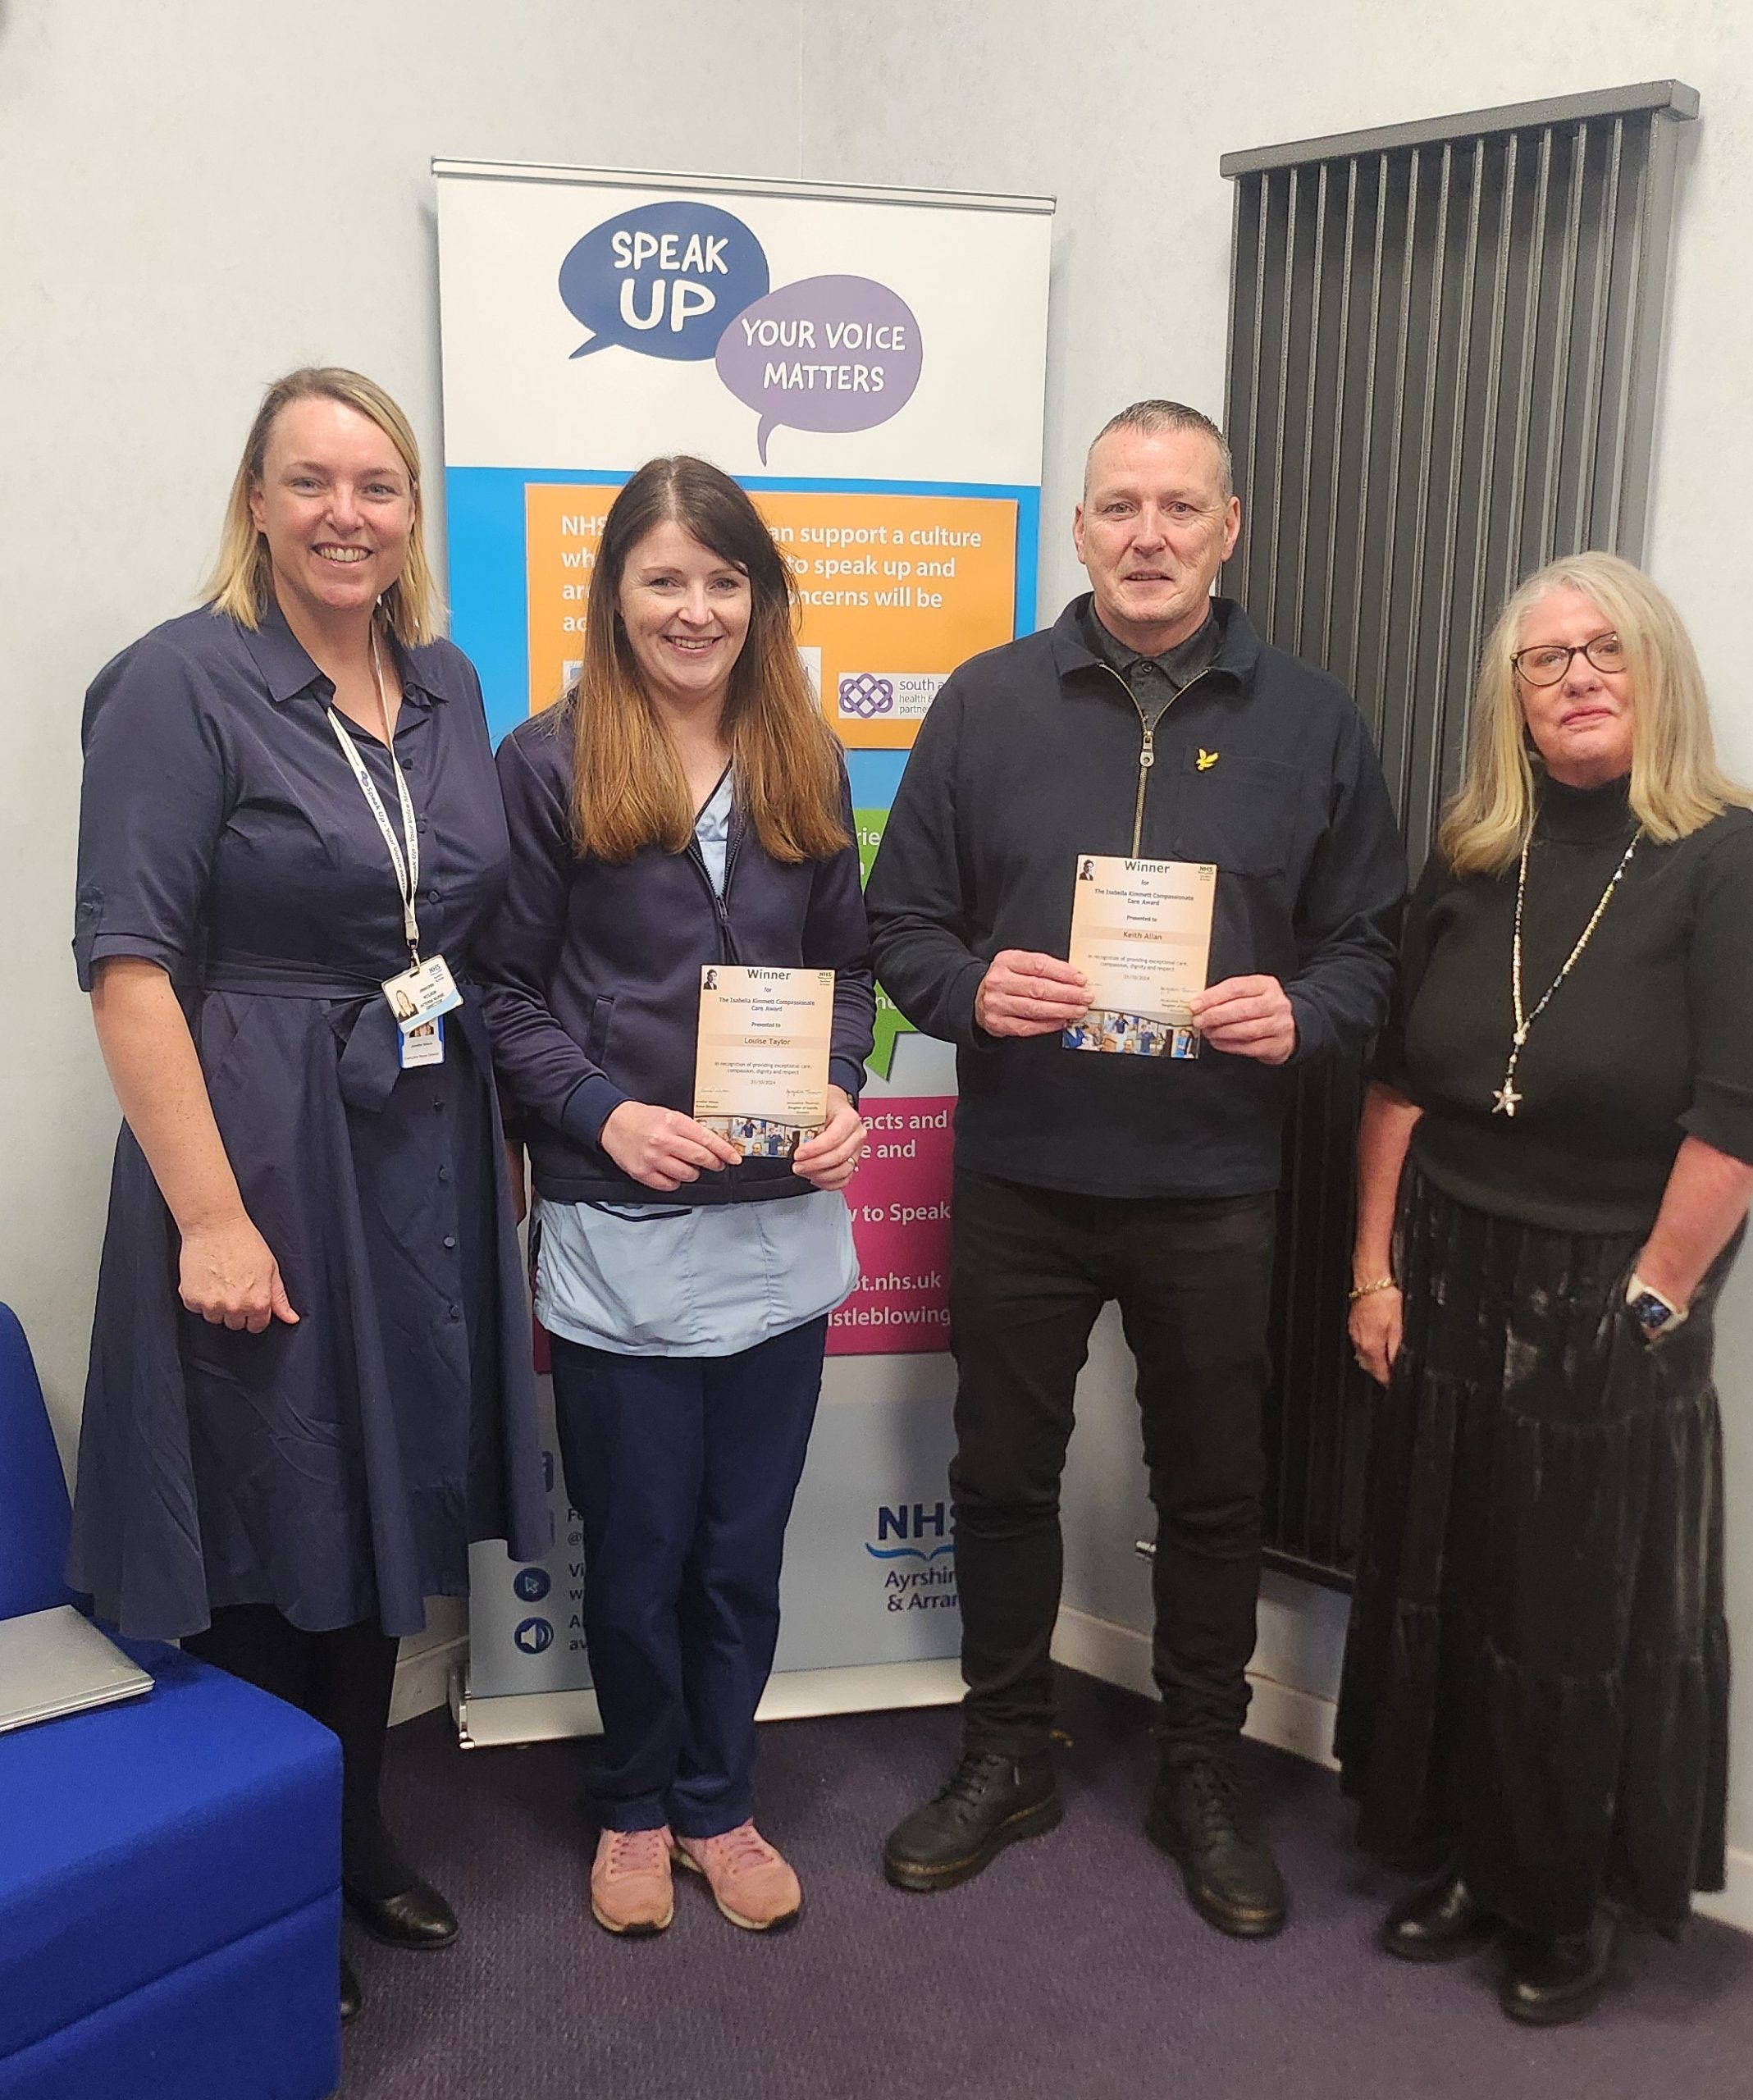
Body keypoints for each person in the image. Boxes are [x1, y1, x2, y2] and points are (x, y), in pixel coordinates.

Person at [866, 400, 1404, 1936]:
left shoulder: (1314, 721)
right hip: (1025, 1173)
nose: (1147, 535)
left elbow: (1370, 946)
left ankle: (1198, 1770)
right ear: (1080, 529)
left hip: (1214, 1185)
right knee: (999, 1475)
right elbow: (900, 923)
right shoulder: (983, 705)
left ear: (1228, 529)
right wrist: (970, 991)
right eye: (1118, 507)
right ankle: (1004, 1749)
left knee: (1215, 1492)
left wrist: (1299, 1013)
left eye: (1179, 508)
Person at [69, 367, 548, 2025]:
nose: (349, 511)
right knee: (278, 1499)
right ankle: (270, 1863)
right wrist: (209, 1212)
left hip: (416, 1131)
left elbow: (460, 929)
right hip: (258, 1142)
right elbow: (129, 968)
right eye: (312, 480)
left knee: (381, 1492)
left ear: (413, 512)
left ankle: (351, 1827)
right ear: (257, 503)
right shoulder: (178, 683)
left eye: (379, 483)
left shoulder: (451, 683)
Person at [1336, 551, 1753, 2024]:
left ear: (1655, 675)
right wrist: (1371, 1270)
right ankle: (1466, 1857)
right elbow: (1395, 1080)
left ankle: (1561, 1901)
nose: (1574, 678)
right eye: (1542, 660)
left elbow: (1735, 1116)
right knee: (1450, 1583)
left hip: (1610, 1288)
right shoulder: (1469, 856)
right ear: (1508, 699)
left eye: (1603, 652)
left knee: (1572, 1618)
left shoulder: (1724, 855)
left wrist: (1650, 1301)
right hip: (1448, 1268)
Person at [482, 456, 874, 1938]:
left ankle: (722, 1799)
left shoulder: (805, 757)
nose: (695, 608)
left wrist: (844, 1091)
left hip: (777, 1239)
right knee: (637, 1553)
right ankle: (635, 1808)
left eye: (723, 580)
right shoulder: (547, 761)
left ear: (760, 597)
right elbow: (505, 996)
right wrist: (604, 1113)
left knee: (738, 1548)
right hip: (622, 1229)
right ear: (616, 595)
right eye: (665, 579)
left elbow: (849, 979)